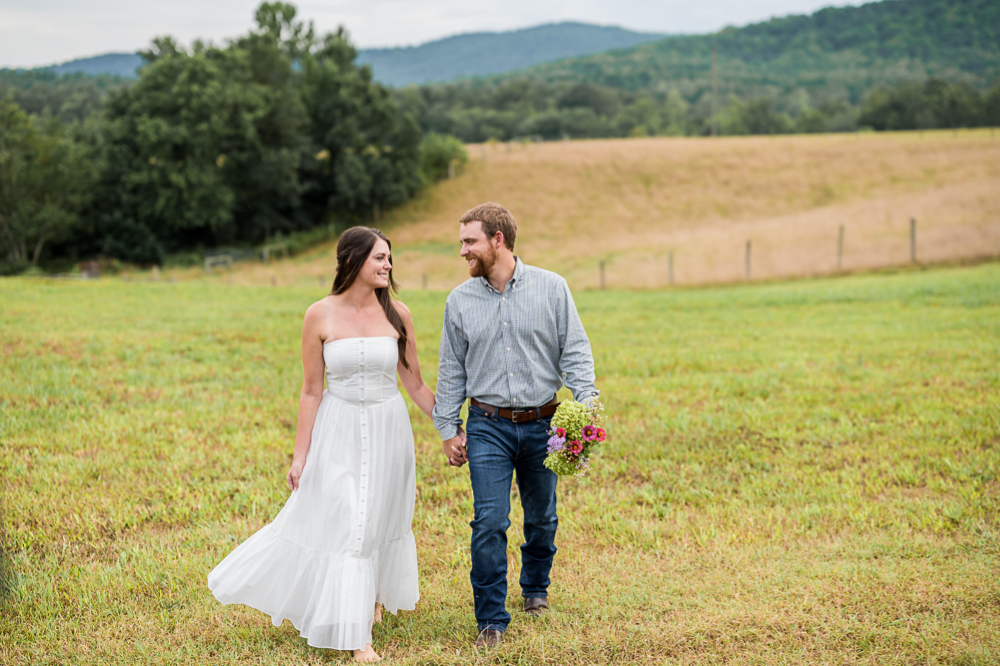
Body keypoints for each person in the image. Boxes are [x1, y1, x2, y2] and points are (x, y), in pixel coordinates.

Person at [208, 227, 447, 663]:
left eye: (390, 258)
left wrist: (450, 428)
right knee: (347, 519)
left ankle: (369, 596)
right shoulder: (318, 315)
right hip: (337, 428)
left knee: (376, 516)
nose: (388, 265)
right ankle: (359, 638)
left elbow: (413, 382)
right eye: (380, 258)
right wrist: (301, 456)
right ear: (353, 261)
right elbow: (311, 391)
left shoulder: (399, 314)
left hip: (388, 425)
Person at [433, 202, 599, 648]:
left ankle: (535, 587)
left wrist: (586, 407)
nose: (463, 250)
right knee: (489, 520)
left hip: (546, 423)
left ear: (497, 240)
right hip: (487, 425)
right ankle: (491, 618)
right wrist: (449, 427)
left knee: (542, 518)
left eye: (470, 241)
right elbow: (452, 369)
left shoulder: (552, 288)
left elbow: (576, 351)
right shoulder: (459, 301)